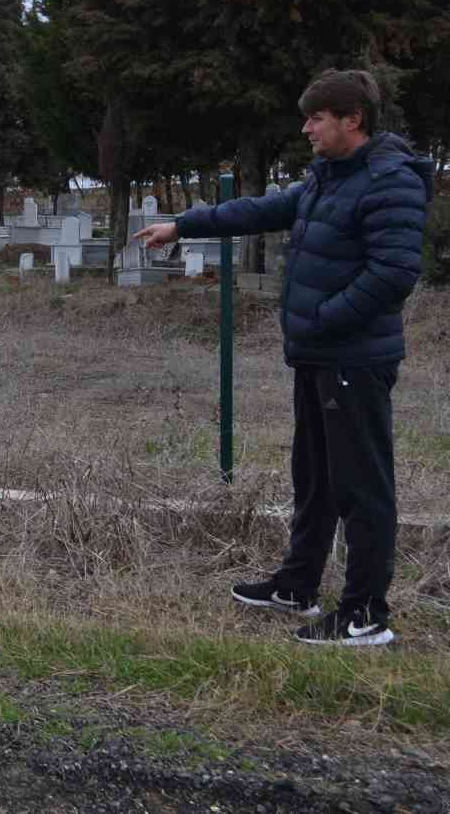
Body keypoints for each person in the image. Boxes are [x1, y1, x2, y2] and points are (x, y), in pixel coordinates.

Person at [134, 70, 432, 647]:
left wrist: (323, 320)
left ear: (353, 120)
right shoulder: (330, 179)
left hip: (352, 357)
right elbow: (259, 210)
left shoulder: (388, 181)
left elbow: (394, 274)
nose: (307, 128)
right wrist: (183, 225)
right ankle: (297, 585)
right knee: (315, 478)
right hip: (319, 356)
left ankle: (366, 612)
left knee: (361, 486)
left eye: (317, 117)